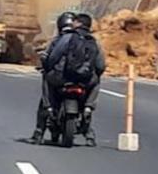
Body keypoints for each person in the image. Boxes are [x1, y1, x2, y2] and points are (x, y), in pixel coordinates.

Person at [30, 11, 78, 145]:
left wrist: (45, 66)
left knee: (45, 98)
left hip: (58, 77)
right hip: (81, 79)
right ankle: (89, 131)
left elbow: (49, 58)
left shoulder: (58, 41)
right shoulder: (84, 40)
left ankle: (39, 132)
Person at [74, 13, 105, 146]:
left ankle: (39, 130)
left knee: (48, 86)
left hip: (65, 78)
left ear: (78, 23)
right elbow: (100, 65)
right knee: (95, 83)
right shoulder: (94, 42)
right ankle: (88, 107)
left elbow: (53, 56)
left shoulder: (67, 38)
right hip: (87, 80)